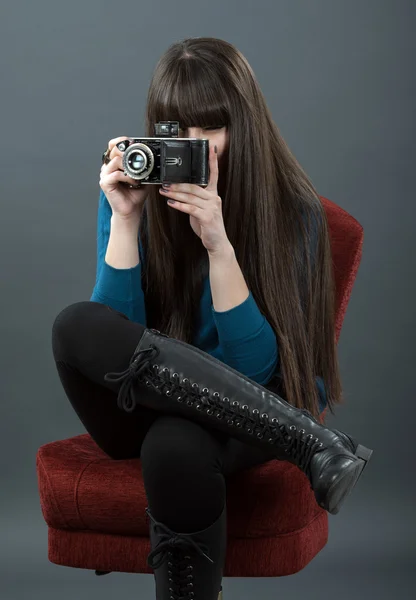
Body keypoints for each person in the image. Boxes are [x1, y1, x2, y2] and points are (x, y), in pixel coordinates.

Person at [51, 37, 372, 600]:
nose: (198, 148)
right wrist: (125, 223)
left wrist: (220, 246)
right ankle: (311, 443)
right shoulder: (136, 190)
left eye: (213, 129)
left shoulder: (294, 215)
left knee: (175, 444)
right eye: (180, 132)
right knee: (74, 325)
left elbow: (256, 369)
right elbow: (116, 342)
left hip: (244, 412)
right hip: (143, 403)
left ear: (242, 124)